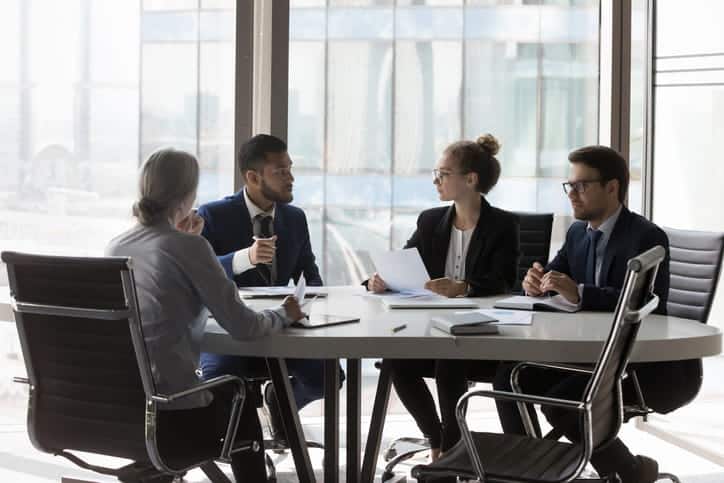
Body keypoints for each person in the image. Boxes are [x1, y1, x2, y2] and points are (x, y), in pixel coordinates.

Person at [106, 148, 304, 482]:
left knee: (221, 388)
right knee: (237, 396)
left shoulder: (117, 247)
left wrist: (187, 241)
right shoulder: (188, 247)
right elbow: (244, 326)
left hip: (123, 410)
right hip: (173, 410)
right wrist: (284, 313)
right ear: (188, 195)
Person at [494, 145, 676, 483]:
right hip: (583, 353)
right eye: (569, 186)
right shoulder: (578, 232)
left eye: (581, 186)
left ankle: (627, 471)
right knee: (508, 378)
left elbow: (650, 303)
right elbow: (553, 277)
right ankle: (526, 472)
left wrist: (579, 292)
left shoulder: (647, 236)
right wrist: (535, 283)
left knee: (561, 401)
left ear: (612, 187)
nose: (572, 195)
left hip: (632, 362)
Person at [367, 134, 519, 460]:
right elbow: (407, 262)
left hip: (484, 335)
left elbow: (505, 280)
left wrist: (463, 287)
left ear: (470, 179)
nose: (436, 180)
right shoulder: (431, 220)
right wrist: (379, 280)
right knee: (395, 362)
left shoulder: (503, 225)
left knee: (449, 361)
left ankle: (451, 452)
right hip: (433, 326)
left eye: (443, 173)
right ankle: (438, 443)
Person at [197, 134, 343, 444]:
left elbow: (309, 274)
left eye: (290, 169)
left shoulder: (294, 218)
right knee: (219, 382)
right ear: (253, 177)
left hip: (282, 325)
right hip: (230, 330)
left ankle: (282, 400)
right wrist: (243, 259)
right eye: (281, 171)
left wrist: (313, 305)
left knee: (329, 377)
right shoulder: (213, 215)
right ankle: (239, 448)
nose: (291, 178)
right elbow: (199, 273)